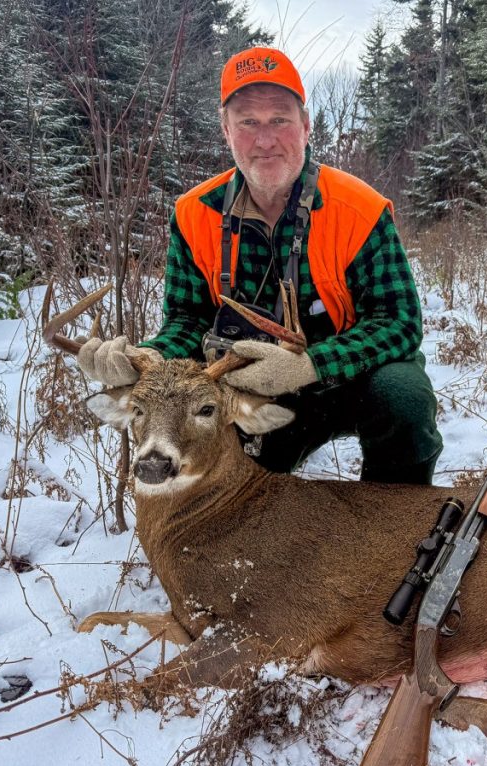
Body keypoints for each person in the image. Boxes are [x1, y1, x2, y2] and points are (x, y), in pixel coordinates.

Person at [79, 46, 442, 485]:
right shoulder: (196, 214)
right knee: (230, 484)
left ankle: (398, 514)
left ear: (305, 126)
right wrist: (150, 359)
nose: (265, 140)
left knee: (403, 395)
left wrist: (310, 366)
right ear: (226, 130)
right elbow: (188, 321)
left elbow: (399, 323)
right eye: (248, 122)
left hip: (349, 382)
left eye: (280, 120)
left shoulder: (358, 209)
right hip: (250, 391)